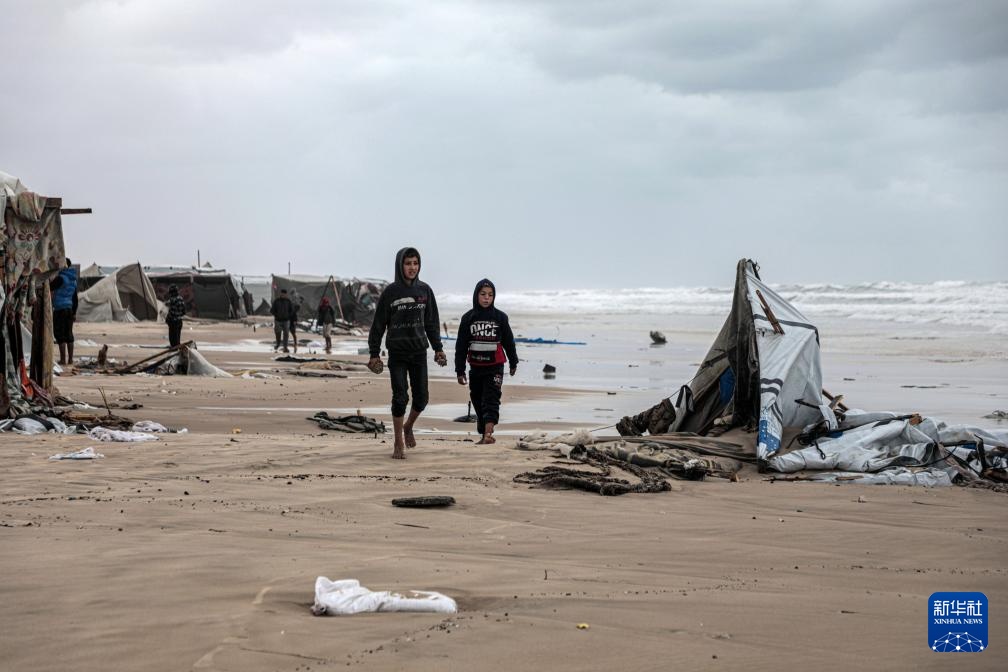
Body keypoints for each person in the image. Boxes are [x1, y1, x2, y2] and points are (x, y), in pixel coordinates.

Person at [367, 247, 447, 459]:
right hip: (398, 353)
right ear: (400, 265)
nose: (412, 267)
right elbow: (378, 325)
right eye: (408, 263)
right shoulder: (390, 293)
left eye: (415, 263)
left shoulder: (425, 291)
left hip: (419, 351)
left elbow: (432, 323)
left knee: (422, 398)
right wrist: (374, 353)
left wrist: (438, 348)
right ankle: (397, 442)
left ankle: (408, 426)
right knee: (400, 397)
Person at [454, 279, 518, 444]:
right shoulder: (468, 318)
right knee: (476, 398)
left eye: (490, 295)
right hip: (475, 367)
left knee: (491, 399)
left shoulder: (500, 318)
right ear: (476, 295)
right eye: (483, 294)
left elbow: (509, 342)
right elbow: (461, 346)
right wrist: (459, 370)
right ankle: (484, 433)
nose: (486, 298)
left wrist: (513, 362)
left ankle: (488, 434)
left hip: (495, 366)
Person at [50, 258, 78, 365]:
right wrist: (74, 312)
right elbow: (75, 298)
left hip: (60, 309)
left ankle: (62, 360)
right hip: (69, 309)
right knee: (69, 334)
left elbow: (49, 287)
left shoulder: (61, 278)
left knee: (59, 334)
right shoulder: (73, 280)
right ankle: (70, 359)